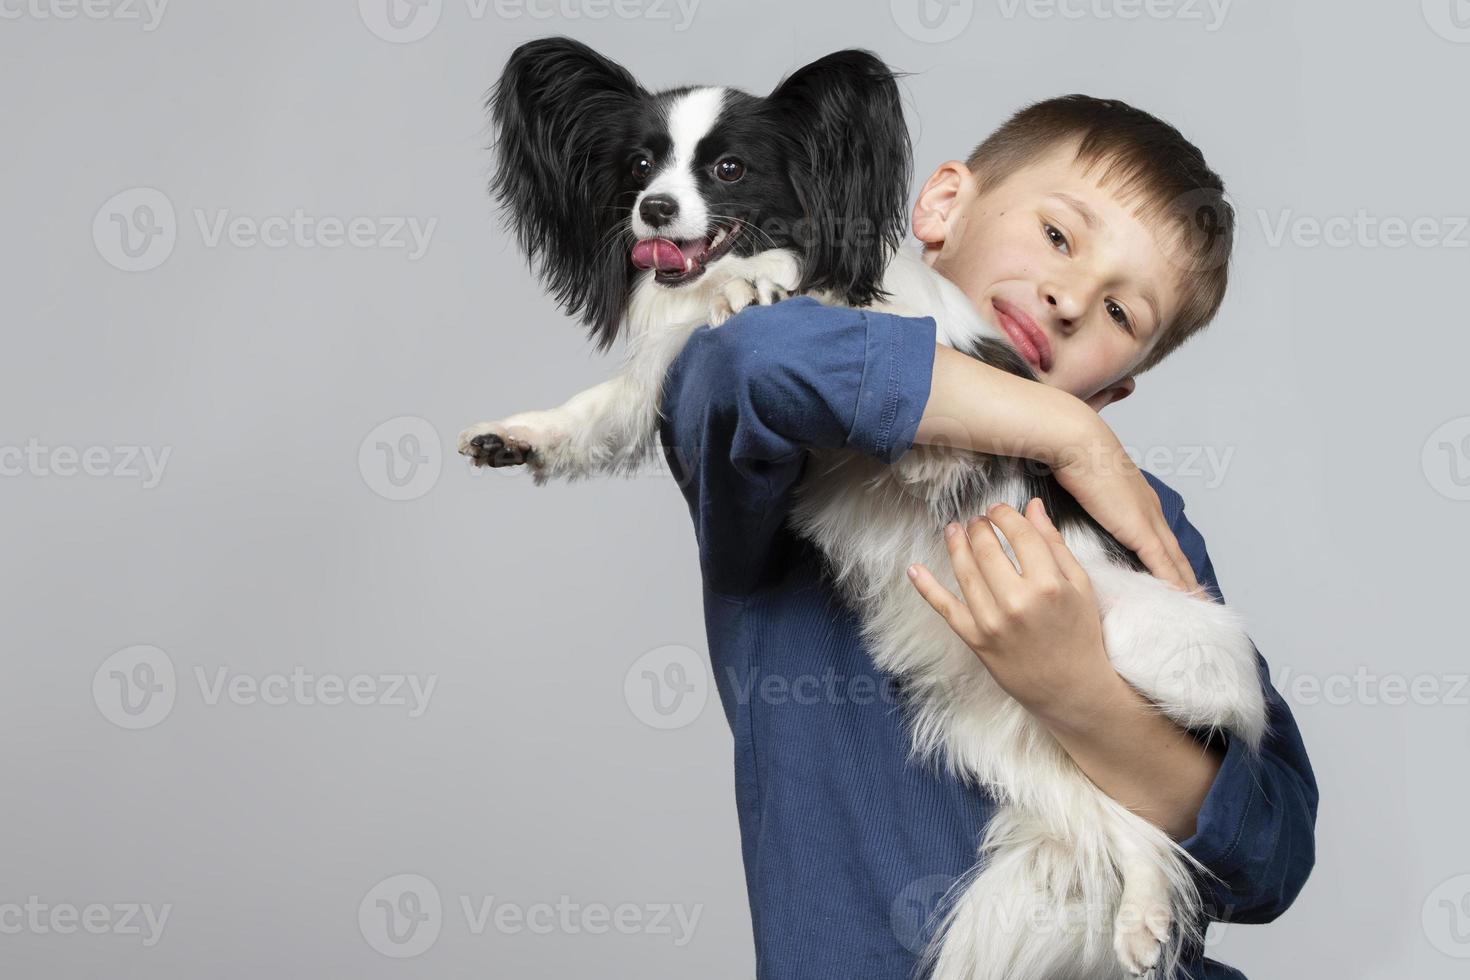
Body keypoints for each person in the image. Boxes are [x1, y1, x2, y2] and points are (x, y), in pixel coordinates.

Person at [656, 95, 1317, 979]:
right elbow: (750, 361)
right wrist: (1066, 434)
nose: (1071, 298)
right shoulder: (772, 439)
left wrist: (1078, 691)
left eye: (1123, 316)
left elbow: (1271, 852)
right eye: (1058, 237)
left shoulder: (1134, 514)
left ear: (1116, 389)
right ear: (941, 207)